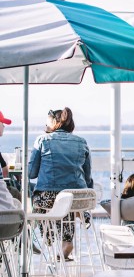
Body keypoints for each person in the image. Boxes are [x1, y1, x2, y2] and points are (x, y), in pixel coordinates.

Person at [29, 108, 93, 259]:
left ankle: (50, 239)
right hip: (78, 197)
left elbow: (31, 173)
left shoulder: (42, 140)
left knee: (41, 200)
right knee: (66, 203)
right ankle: (67, 239)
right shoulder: (82, 142)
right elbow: (88, 176)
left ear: (54, 122)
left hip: (48, 198)